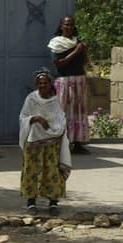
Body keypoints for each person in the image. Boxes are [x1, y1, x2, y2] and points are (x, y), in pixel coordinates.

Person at [18, 69, 72, 215]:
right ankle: (31, 203)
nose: (42, 85)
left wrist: (55, 128)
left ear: (50, 84)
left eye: (45, 83)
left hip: (52, 142)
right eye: (40, 83)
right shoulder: (31, 99)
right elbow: (23, 117)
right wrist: (35, 119)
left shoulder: (55, 100)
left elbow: (61, 118)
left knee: (52, 172)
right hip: (34, 141)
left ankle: (53, 203)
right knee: (31, 171)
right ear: (37, 84)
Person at [47, 15, 91, 152]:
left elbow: (84, 62)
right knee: (62, 112)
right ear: (61, 26)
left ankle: (77, 143)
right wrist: (76, 51)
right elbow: (59, 64)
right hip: (63, 81)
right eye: (66, 25)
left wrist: (84, 50)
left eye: (71, 25)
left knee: (78, 112)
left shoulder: (77, 41)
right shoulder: (56, 43)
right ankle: (61, 143)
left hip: (79, 80)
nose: (69, 27)